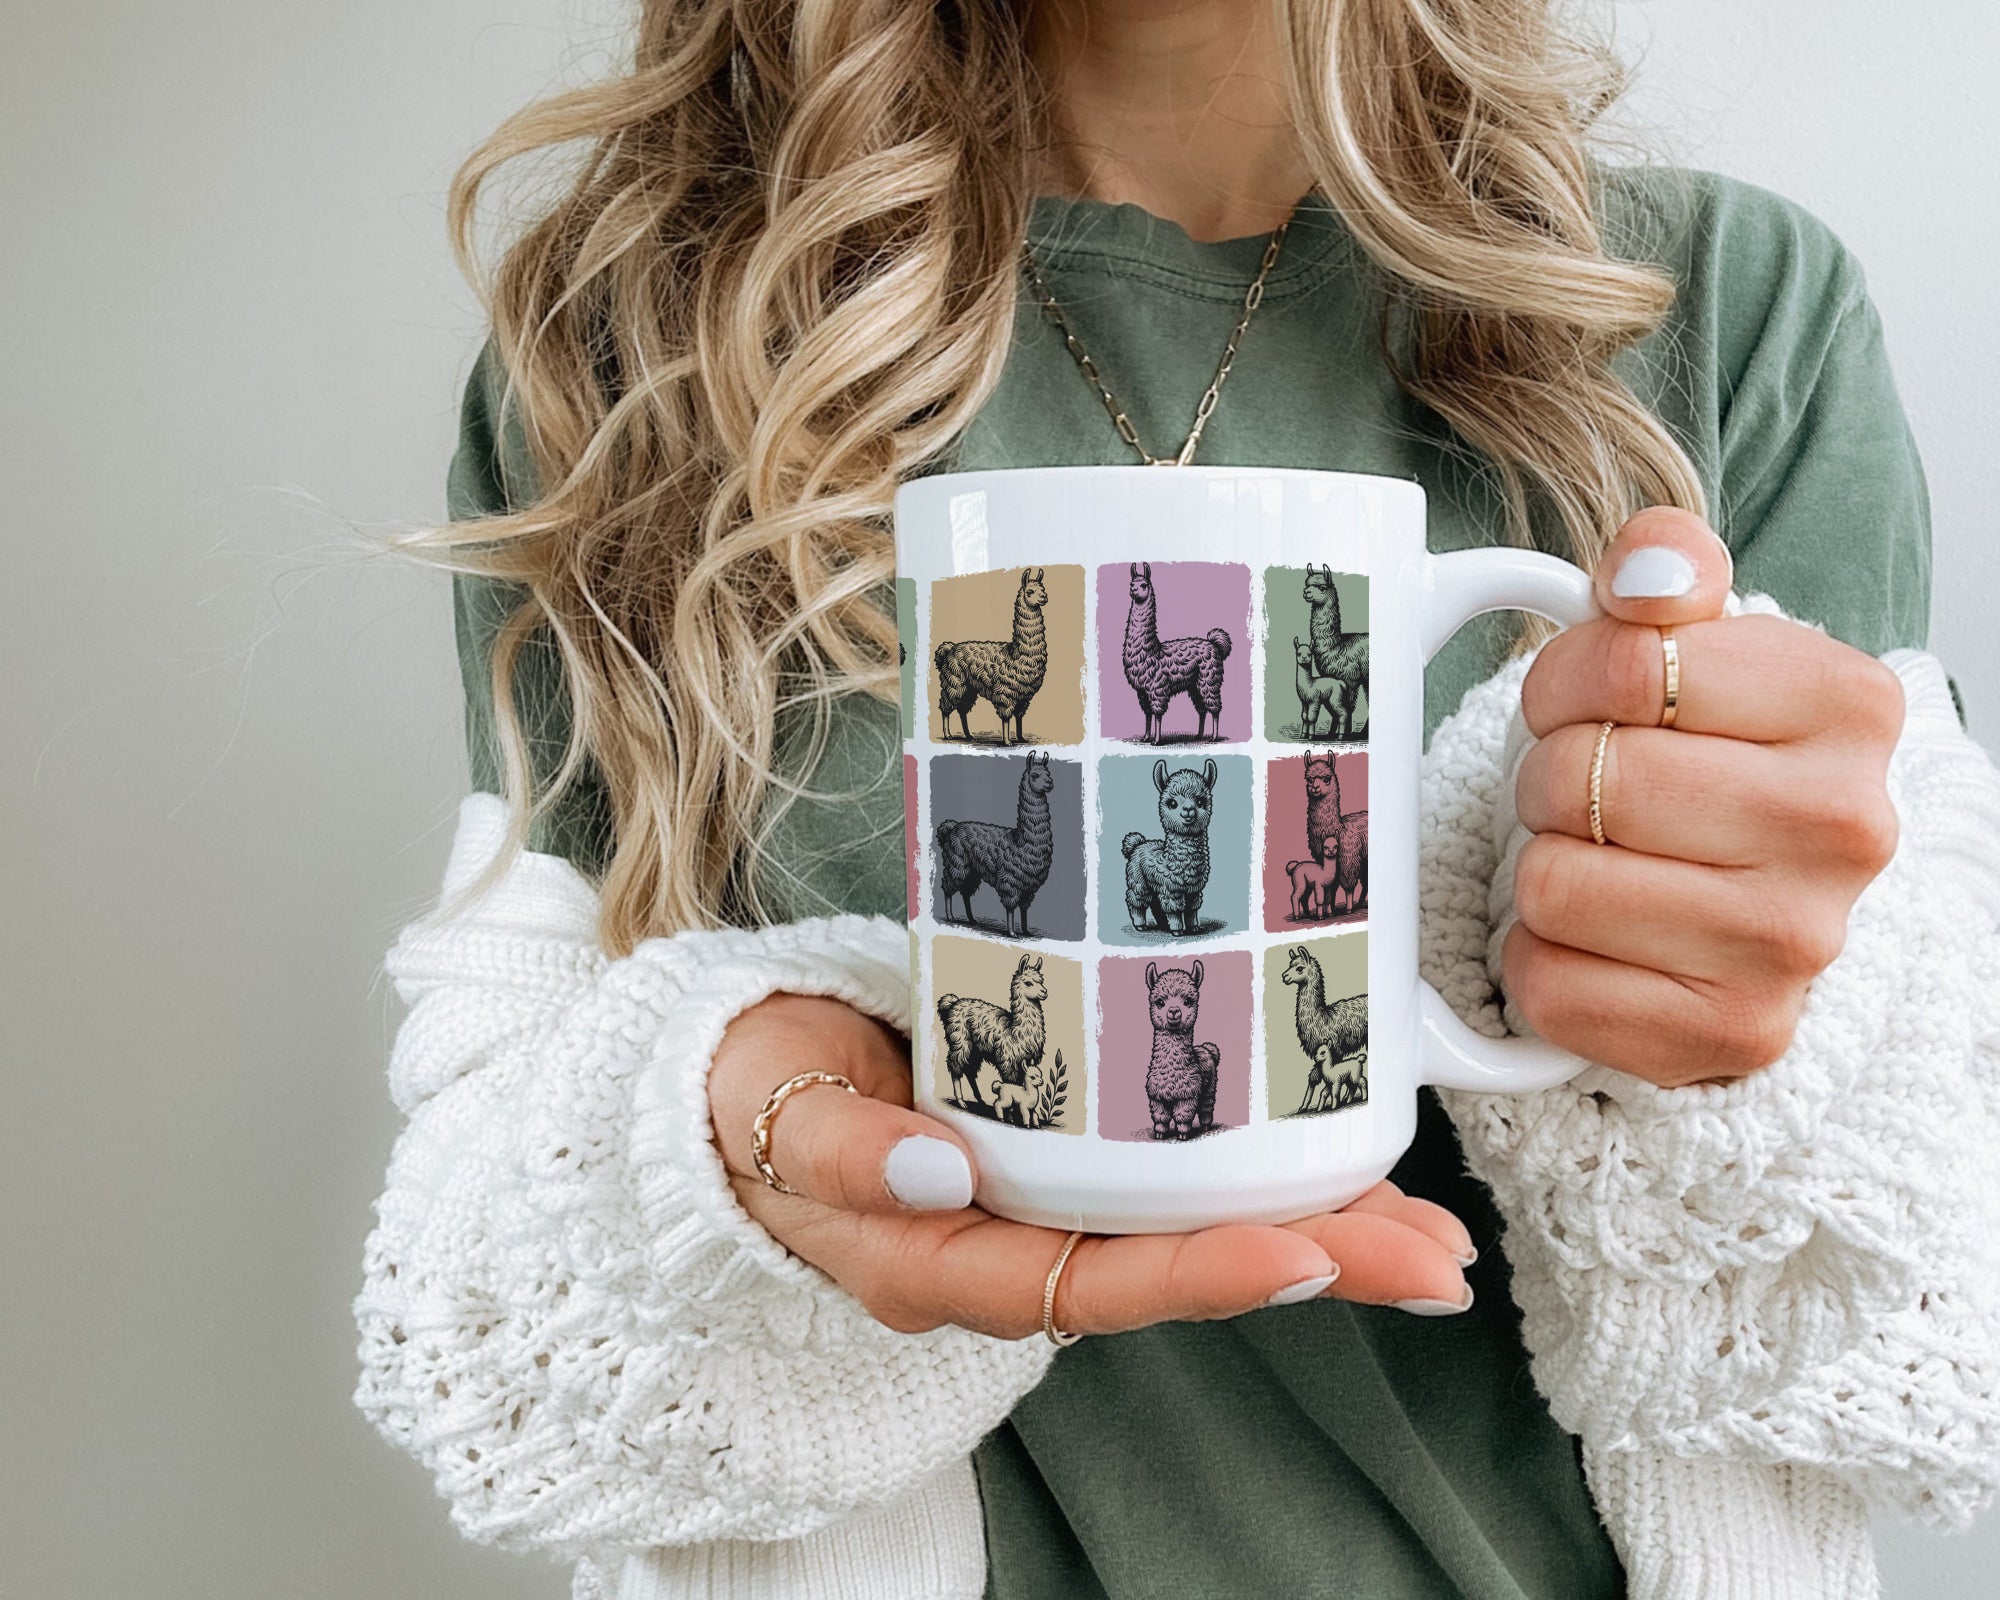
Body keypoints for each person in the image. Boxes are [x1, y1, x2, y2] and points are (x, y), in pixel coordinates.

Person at [351, 0, 2000, 1595]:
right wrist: (707, 1164)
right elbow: (483, 1278)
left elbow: (1921, 1283)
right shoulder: (631, 351)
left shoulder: (1716, 310)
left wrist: (1755, 1017)